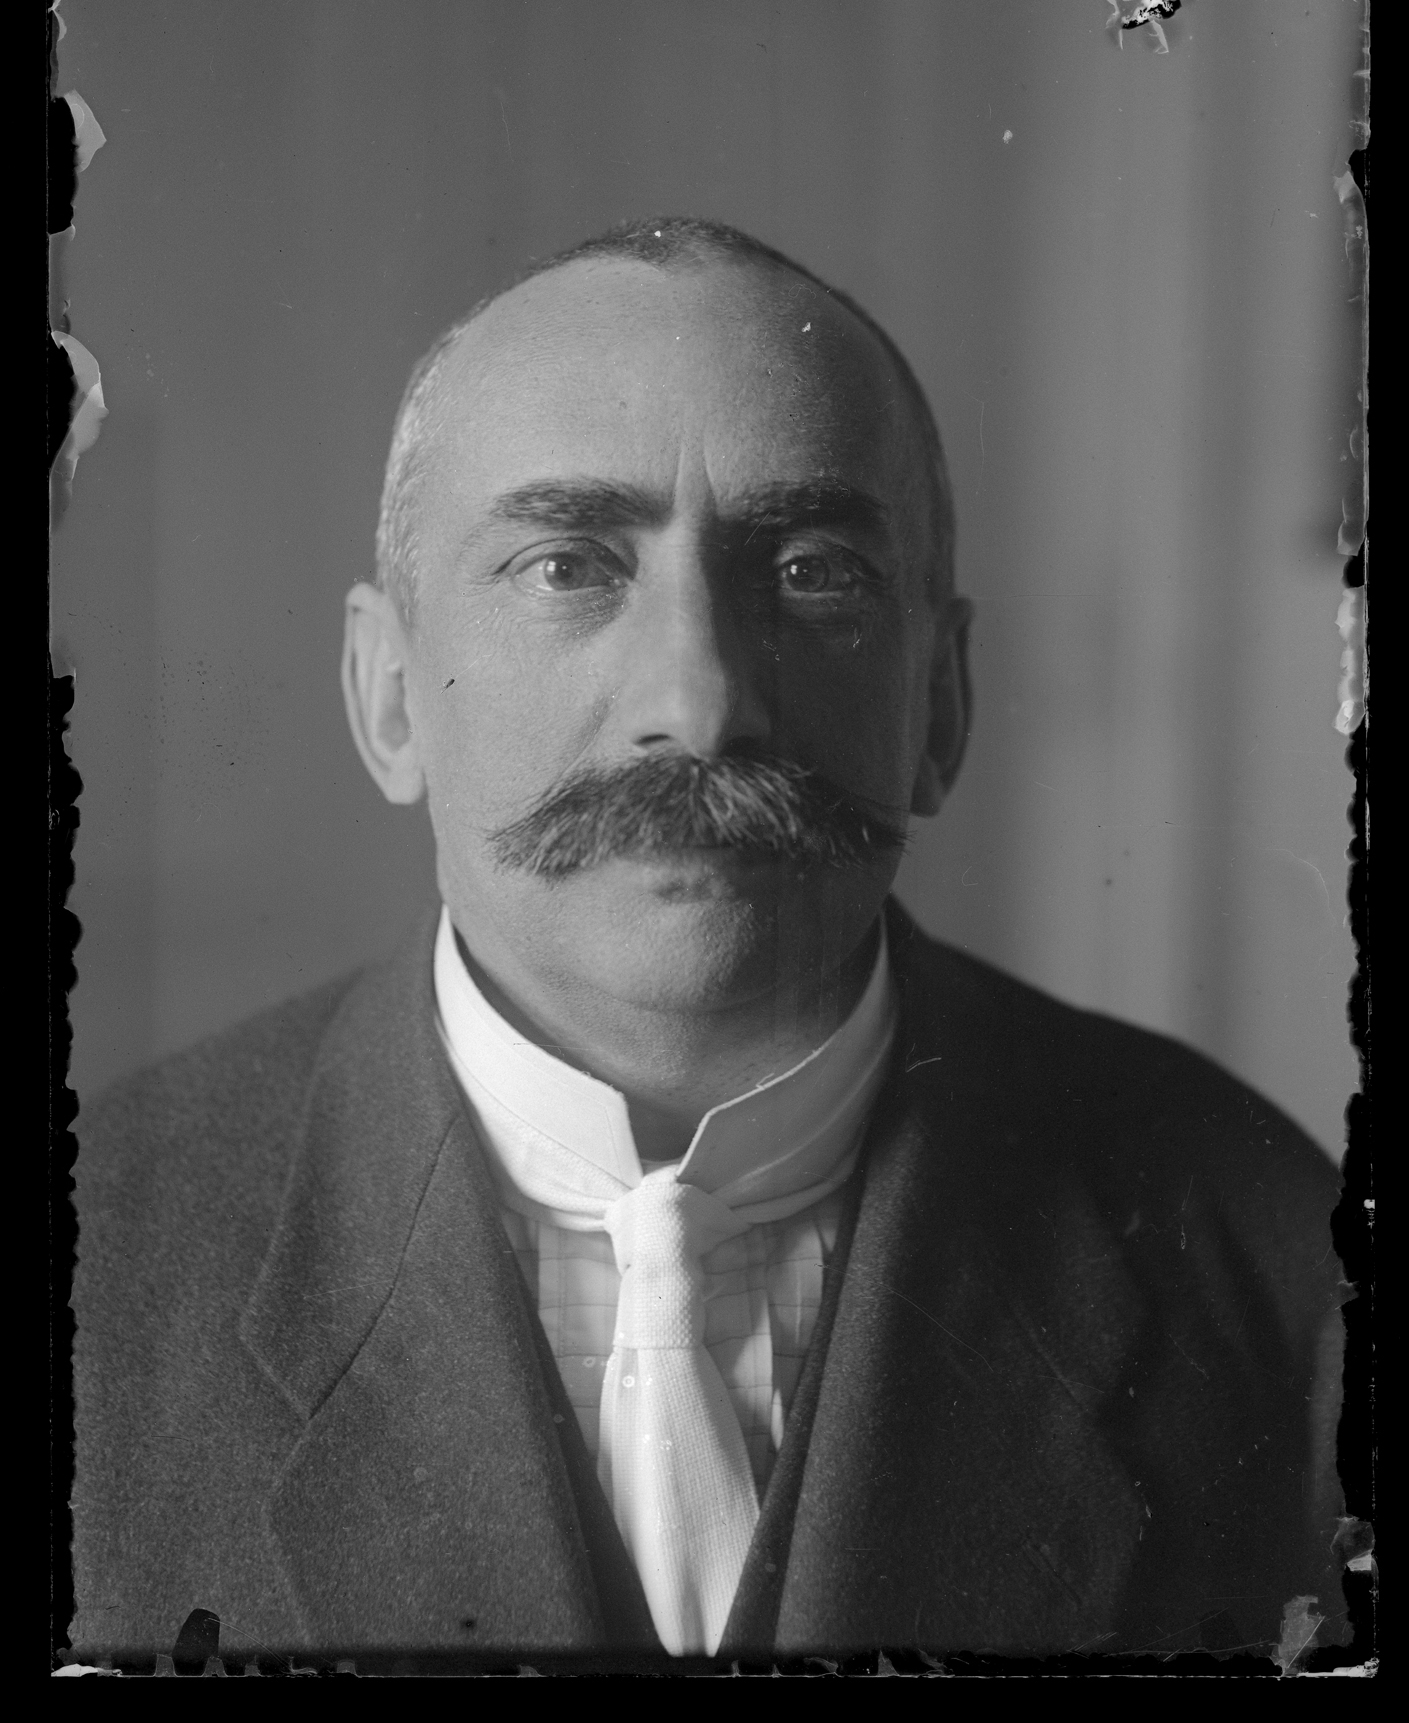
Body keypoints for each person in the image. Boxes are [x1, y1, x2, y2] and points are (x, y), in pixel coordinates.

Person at [71, 218, 1345, 1667]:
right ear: (388, 696)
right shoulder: (97, 1266)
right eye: (567, 566)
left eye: (811, 570)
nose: (699, 702)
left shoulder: (1275, 1261)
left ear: (940, 702)